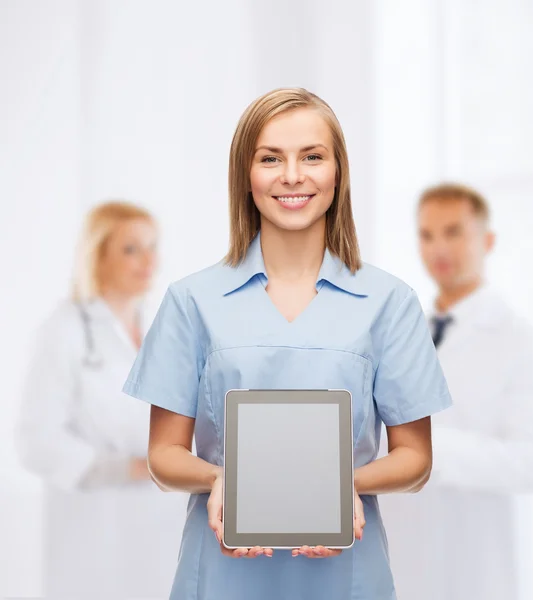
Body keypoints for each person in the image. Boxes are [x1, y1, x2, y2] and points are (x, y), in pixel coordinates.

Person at [122, 87, 452, 600]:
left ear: (337, 172)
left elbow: (415, 460)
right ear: (245, 175)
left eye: (312, 157)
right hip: (221, 576)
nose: (292, 176)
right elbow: (163, 456)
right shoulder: (193, 300)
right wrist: (224, 482)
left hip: (348, 578)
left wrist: (338, 489)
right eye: (270, 158)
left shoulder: (389, 301)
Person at [382, 183, 533, 600]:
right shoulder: (403, 336)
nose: (438, 248)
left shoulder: (523, 341)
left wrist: (426, 452)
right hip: (403, 563)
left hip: (476, 570)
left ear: (488, 240)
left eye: (453, 232)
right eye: (426, 235)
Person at [16, 201, 188, 599]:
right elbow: (36, 441)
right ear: (98, 256)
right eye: (131, 249)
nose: (149, 260)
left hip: (162, 525)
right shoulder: (63, 331)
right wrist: (126, 468)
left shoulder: (165, 329)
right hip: (93, 527)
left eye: (152, 246)